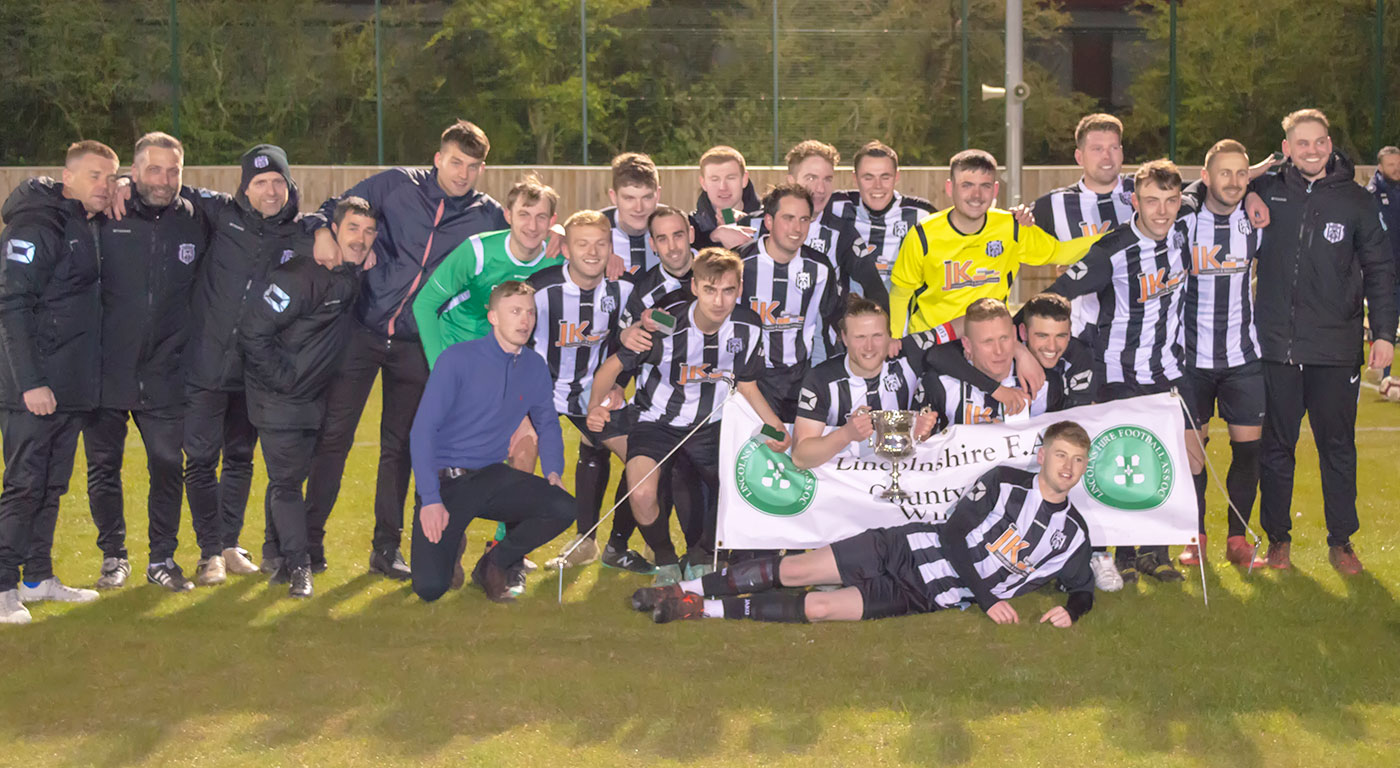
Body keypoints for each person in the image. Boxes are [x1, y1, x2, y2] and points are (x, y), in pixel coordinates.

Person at [632, 421, 1096, 627]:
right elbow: (955, 535)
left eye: (1078, 460)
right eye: (1060, 455)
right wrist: (989, 598)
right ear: (1042, 456)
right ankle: (684, 589)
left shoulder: (1073, 534)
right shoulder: (1006, 481)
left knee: (820, 609)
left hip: (925, 594)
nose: (1068, 467)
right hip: (906, 548)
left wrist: (1071, 612)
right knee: (797, 570)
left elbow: (1082, 587)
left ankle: (697, 609)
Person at [305, 120, 511, 583]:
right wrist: (321, 231)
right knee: (333, 438)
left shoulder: (486, 215)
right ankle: (308, 544)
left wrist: (558, 236)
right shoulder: (397, 185)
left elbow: (526, 240)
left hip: (420, 343)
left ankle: (386, 548)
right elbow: (334, 209)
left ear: (482, 169)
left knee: (399, 448)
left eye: (472, 166)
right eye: (455, 162)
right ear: (438, 158)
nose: (462, 173)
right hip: (362, 330)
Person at [1243, 109, 1396, 575]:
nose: (1311, 150)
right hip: (1277, 346)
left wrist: (1384, 333)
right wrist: (1249, 186)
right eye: (1301, 143)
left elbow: (1381, 270)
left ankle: (1341, 541)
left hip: (1335, 347)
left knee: (1338, 447)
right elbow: (1207, 188)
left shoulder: (1356, 200)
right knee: (1276, 448)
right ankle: (1278, 541)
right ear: (1286, 149)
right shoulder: (1267, 189)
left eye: (1319, 142)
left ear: (1330, 145)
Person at [1044, 159, 1205, 587]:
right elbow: (1055, 295)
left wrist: (1260, 174)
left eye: (1170, 200)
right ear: (1134, 201)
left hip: (1169, 368)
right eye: (1151, 201)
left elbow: (1214, 184)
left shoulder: (1183, 224)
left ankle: (1156, 553)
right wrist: (1027, 343)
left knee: (1188, 461)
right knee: (1127, 463)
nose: (1162, 211)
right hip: (1118, 372)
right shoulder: (1110, 251)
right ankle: (1125, 555)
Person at [586, 248, 787, 584]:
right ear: (694, 287)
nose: (719, 301)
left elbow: (747, 385)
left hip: (713, 425)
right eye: (709, 290)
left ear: (739, 289)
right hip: (656, 422)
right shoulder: (665, 326)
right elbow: (612, 367)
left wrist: (774, 426)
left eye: (728, 290)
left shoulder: (748, 326)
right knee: (642, 493)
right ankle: (666, 559)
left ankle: (702, 555)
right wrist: (595, 405)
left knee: (742, 484)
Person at [180, 144, 312, 588]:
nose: (270, 191)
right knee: (201, 459)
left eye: (278, 181)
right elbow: (168, 189)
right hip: (205, 364)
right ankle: (208, 552)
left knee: (240, 458)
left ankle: (228, 544)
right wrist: (124, 182)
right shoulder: (221, 215)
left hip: (254, 371)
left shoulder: (300, 234)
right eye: (260, 182)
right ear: (244, 187)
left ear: (289, 185)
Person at [0, 140, 117, 624]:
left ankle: (37, 577)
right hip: (33, 388)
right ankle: (2, 584)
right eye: (95, 175)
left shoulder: (83, 222)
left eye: (111, 177)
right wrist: (30, 382)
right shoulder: (37, 224)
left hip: (69, 385)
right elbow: (12, 305)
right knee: (24, 485)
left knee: (51, 486)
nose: (105, 185)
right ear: (66, 178)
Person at [408, 281, 575, 603]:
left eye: (530, 312)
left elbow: (548, 423)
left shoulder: (534, 365)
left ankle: (493, 563)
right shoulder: (457, 359)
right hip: (447, 483)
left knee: (563, 507)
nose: (525, 320)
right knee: (430, 588)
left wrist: (554, 470)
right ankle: (453, 542)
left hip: (491, 476)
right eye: (515, 311)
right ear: (493, 317)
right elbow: (422, 431)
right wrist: (430, 499)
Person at [241, 198, 374, 597]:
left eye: (369, 232)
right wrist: (284, 381)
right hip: (278, 396)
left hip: (311, 397)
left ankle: (279, 556)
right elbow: (253, 332)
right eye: (353, 229)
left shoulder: (348, 274)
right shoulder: (298, 275)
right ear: (333, 231)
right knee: (286, 482)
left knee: (290, 478)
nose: (361, 239)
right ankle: (300, 566)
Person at [525, 211, 648, 572]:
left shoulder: (625, 288)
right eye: (583, 244)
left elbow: (632, 342)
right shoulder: (541, 288)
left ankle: (610, 545)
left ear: (611, 248)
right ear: (567, 249)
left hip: (592, 392)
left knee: (642, 461)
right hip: (538, 391)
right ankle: (511, 553)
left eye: (600, 244)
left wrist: (619, 385)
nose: (592, 252)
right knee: (521, 453)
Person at [888, 149, 1097, 344]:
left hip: (988, 344)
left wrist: (1114, 236)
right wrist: (895, 340)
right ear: (950, 188)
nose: (976, 195)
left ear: (995, 189)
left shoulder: (1011, 227)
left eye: (985, 186)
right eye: (967, 185)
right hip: (934, 343)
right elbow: (901, 293)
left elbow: (1060, 252)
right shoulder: (923, 234)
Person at [1176, 140, 1266, 568]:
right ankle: (1195, 536)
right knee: (1193, 456)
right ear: (1206, 177)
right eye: (1224, 173)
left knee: (1248, 452)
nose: (1233, 182)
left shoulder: (1257, 221)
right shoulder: (1184, 221)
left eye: (1241, 174)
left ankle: (1237, 538)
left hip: (1242, 358)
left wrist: (1256, 193)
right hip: (1189, 360)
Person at [412, 175, 563, 368]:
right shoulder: (477, 251)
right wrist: (438, 367)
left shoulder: (559, 256)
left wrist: (566, 233)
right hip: (462, 345)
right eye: (523, 215)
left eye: (541, 217)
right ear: (508, 216)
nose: (532, 226)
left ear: (552, 220)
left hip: (515, 356)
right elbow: (425, 304)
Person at [734, 183, 844, 423]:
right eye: (788, 218)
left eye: (804, 219)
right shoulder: (739, 262)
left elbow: (832, 324)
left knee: (800, 444)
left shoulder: (820, 267)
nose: (797, 228)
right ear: (769, 221)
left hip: (800, 379)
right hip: (752, 380)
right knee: (761, 444)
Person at [790, 295, 935, 469]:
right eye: (860, 337)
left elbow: (960, 328)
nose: (869, 346)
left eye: (877, 336)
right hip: (844, 481)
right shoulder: (821, 379)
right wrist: (846, 434)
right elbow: (800, 457)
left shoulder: (908, 358)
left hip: (899, 476)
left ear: (890, 336)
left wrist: (921, 434)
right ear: (844, 338)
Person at [1032, 114, 1136, 347]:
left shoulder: (1145, 193)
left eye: (1113, 148)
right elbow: (1011, 237)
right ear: (1079, 157)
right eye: (1097, 149)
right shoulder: (1055, 204)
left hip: (1146, 336)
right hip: (1086, 338)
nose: (1107, 156)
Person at [923, 293, 1098, 414]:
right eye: (1042, 336)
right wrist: (1018, 353)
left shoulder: (1078, 356)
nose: (1052, 347)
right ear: (1022, 333)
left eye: (1061, 336)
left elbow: (1076, 419)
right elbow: (937, 355)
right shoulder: (1006, 337)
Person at [920, 299, 1069, 432]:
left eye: (1004, 338)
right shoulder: (940, 384)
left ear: (1014, 335)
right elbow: (917, 443)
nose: (999, 351)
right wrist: (920, 434)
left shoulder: (1045, 385)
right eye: (988, 342)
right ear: (967, 345)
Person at [828, 141, 935, 295]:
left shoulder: (922, 215)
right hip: (848, 309)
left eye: (885, 177)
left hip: (902, 309)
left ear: (896, 177)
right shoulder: (836, 207)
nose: (877, 186)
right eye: (868, 177)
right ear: (855, 178)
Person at [689, 145, 762, 251]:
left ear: (744, 179)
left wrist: (748, 222)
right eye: (715, 179)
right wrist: (714, 237)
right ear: (703, 183)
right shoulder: (690, 226)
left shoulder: (770, 220)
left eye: (730, 178)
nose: (723, 187)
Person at [1368, 146, 1400, 382]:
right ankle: (1382, 372)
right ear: (1380, 167)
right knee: (1386, 322)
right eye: (1391, 165)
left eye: (1399, 164)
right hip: (1385, 272)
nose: (1397, 169)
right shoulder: (1371, 195)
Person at [601, 152, 660, 276]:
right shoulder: (594, 228)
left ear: (658, 195)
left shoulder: (675, 225)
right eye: (629, 198)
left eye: (647, 197)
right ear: (613, 197)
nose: (639, 208)